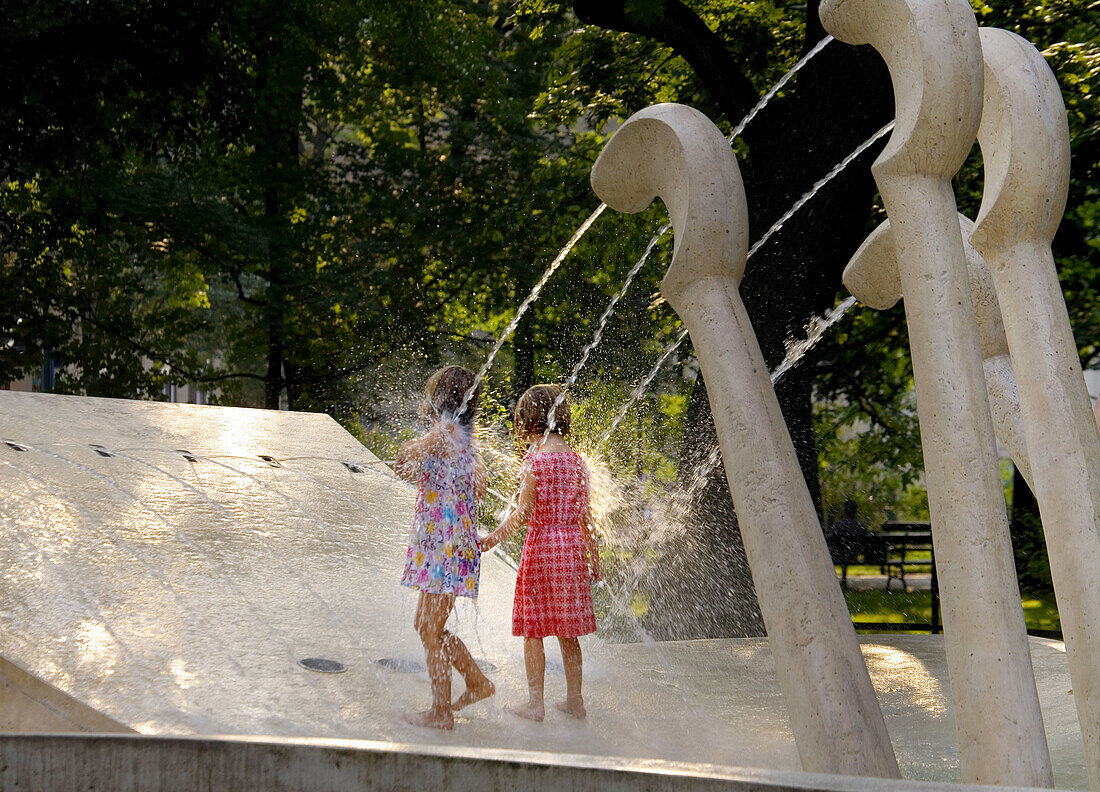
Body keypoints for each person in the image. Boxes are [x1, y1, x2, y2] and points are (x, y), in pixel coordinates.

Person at [481, 384, 600, 721]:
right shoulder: (578, 462)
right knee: (567, 629)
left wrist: (490, 540)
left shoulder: (534, 460)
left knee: (533, 628)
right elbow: (585, 516)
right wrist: (595, 557)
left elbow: (521, 514)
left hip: (542, 548)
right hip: (572, 549)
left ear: (528, 420)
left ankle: (535, 704)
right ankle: (575, 700)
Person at [396, 365, 493, 729]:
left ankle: (441, 711)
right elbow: (480, 487)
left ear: (439, 399)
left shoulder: (445, 432)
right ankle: (476, 681)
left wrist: (407, 451)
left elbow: (407, 457)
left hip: (444, 547)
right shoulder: (467, 439)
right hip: (449, 545)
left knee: (430, 629)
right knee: (426, 625)